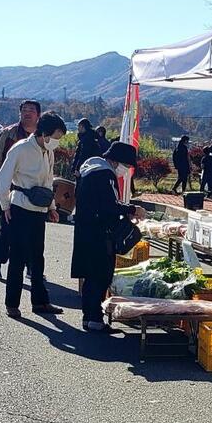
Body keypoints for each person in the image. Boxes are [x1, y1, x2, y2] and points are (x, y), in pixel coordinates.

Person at [0, 111, 67, 319]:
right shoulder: (21, 149)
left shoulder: (48, 151)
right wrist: (5, 206)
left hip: (39, 209)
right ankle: (12, 303)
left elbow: (48, 181)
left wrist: (52, 207)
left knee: (38, 258)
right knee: (18, 257)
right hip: (20, 207)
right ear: (44, 133)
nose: (57, 141)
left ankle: (40, 302)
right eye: (56, 136)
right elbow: (3, 178)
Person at [71, 142, 146, 332]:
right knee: (101, 275)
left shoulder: (91, 169)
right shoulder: (105, 174)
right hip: (99, 232)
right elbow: (108, 206)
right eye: (126, 165)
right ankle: (95, 320)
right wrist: (131, 209)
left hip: (85, 229)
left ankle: (89, 318)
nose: (126, 170)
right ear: (116, 160)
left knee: (90, 277)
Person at [0, 100, 42, 280]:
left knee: (32, 233)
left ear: (38, 115)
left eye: (31, 110)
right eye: (24, 110)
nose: (27, 113)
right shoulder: (8, 133)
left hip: (34, 193)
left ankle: (31, 267)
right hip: (11, 190)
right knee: (7, 228)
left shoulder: (41, 136)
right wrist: (8, 178)